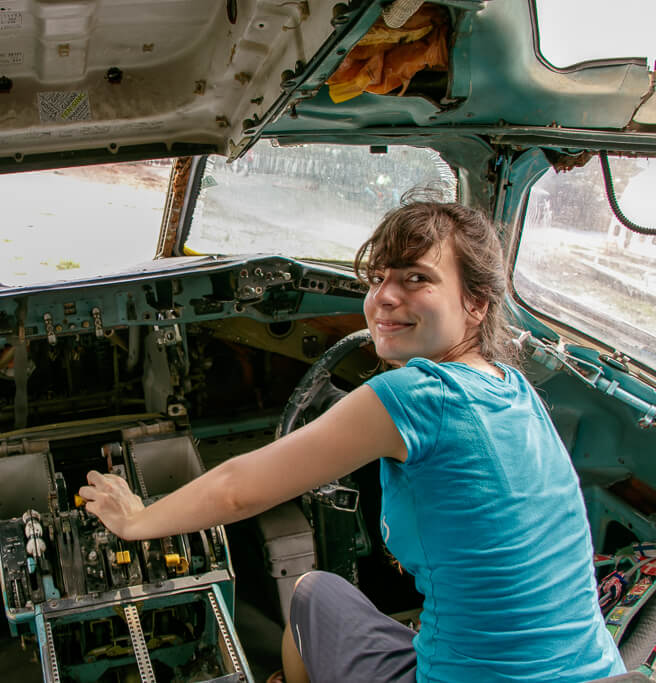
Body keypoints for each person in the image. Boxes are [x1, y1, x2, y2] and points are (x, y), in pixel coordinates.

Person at [78, 201, 625, 682]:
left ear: (477, 303)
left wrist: (136, 520)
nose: (384, 298)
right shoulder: (514, 387)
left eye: (415, 278)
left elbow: (236, 491)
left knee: (311, 595)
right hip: (595, 670)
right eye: (377, 278)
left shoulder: (417, 395)